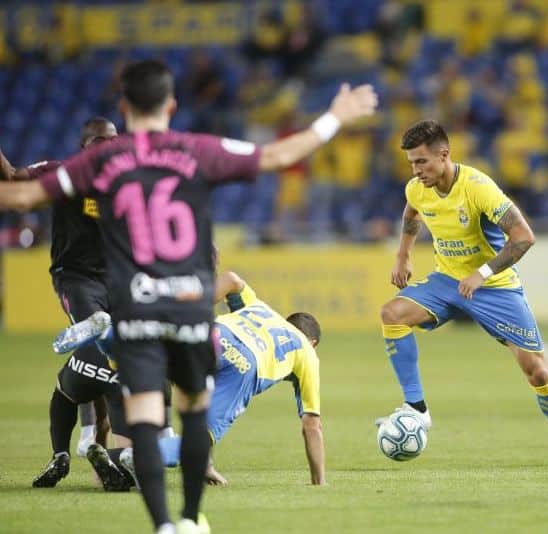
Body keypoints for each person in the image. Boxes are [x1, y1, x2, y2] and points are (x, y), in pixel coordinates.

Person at [0, 59, 376, 533]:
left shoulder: (98, 162)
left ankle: (162, 523)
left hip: (133, 300)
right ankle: (192, 517)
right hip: (187, 300)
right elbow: (280, 157)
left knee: (144, 421)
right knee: (195, 411)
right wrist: (335, 116)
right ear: (172, 105)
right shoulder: (195, 149)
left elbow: (18, 196)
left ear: (123, 106)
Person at [379, 119, 548, 467]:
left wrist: (483, 272)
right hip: (448, 281)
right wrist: (402, 255)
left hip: (495, 288)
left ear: (444, 155)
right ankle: (417, 407)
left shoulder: (478, 187)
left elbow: (524, 236)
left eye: (422, 162)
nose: (416, 171)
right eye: (411, 163)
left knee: (536, 370)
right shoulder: (416, 188)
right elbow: (411, 212)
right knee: (392, 315)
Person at [57, 271, 324, 488]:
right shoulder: (306, 351)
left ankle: (106, 335)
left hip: (214, 334)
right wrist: (318, 482)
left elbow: (231, 279)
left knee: (146, 359)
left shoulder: (261, 309)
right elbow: (311, 426)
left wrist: (195, 308)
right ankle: (138, 456)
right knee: (197, 436)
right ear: (312, 342)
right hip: (244, 365)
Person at [0, 118, 133, 490]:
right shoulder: (61, 173)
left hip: (116, 281)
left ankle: (96, 453)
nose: (111, 147)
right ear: (85, 146)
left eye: (116, 141)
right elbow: (11, 177)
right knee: (96, 343)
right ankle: (90, 438)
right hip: (77, 279)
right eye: (103, 141)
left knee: (123, 353)